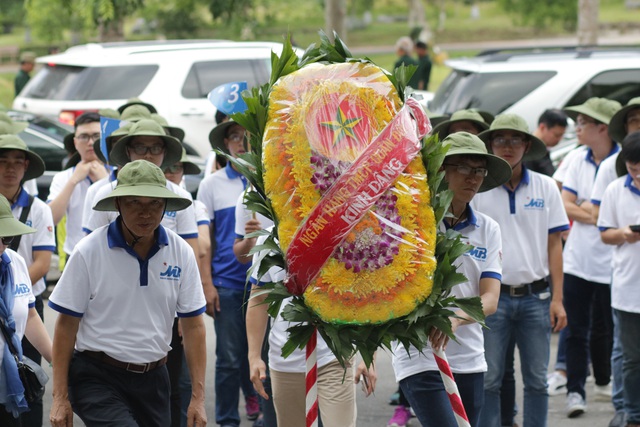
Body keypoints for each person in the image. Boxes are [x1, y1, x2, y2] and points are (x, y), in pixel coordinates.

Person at [48, 160, 207, 427]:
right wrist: (59, 397)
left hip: (155, 378)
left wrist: (198, 398)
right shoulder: (88, 251)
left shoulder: (181, 252)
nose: (146, 213)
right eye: (134, 202)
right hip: (97, 376)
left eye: (155, 203)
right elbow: (66, 325)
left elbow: (194, 326)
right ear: (118, 205)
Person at [392, 132, 511, 427]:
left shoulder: (489, 228)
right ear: (441, 170)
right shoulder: (413, 221)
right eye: (464, 168)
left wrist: (455, 319)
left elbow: (490, 299)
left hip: (470, 357)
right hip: (420, 355)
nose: (473, 178)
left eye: (479, 171)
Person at [472, 114, 569, 427]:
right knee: (489, 380)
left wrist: (558, 299)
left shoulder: (546, 187)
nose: (507, 146)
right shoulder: (478, 189)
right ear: (491, 144)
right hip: (491, 301)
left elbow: (555, 245)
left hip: (535, 298)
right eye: (500, 139)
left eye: (515, 139)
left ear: (527, 145)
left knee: (538, 382)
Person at [246, 228, 375, 427]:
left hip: (335, 355)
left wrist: (370, 355)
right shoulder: (272, 235)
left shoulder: (346, 227)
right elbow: (259, 298)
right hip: (285, 359)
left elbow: (367, 294)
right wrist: (254, 356)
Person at [559, 97, 621, 418]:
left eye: (584, 122)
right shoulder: (575, 158)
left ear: (603, 128)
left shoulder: (623, 162)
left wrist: (587, 208)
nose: (577, 127)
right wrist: (594, 211)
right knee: (576, 327)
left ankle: (603, 380)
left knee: (605, 328)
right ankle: (575, 390)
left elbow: (614, 215)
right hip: (577, 259)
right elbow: (563, 203)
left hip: (612, 260)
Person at [197, 120, 260, 426]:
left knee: (264, 353)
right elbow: (204, 239)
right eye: (234, 137)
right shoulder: (212, 184)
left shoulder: (268, 179)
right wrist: (207, 285)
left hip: (266, 283)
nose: (241, 142)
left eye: (247, 136)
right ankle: (226, 419)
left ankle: (263, 411)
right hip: (228, 281)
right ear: (224, 145)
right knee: (229, 359)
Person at [0, 134, 55, 427]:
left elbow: (31, 313)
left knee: (28, 392)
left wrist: (57, 359)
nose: (3, 244)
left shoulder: (15, 261)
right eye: (2, 162)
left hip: (21, 310)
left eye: (7, 237)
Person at [598, 131, 640, 427]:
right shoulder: (615, 189)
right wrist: (624, 234)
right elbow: (605, 234)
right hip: (628, 289)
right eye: (632, 168)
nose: (636, 174)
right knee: (631, 358)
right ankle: (632, 413)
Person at [47, 112, 110, 260]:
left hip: (110, 254)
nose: (90, 142)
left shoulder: (117, 173)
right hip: (75, 254)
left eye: (96, 136)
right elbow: (49, 219)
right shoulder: (64, 177)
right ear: (75, 142)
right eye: (84, 136)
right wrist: (74, 181)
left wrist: (105, 180)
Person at [524, 109, 568, 177]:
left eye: (562, 135)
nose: (560, 139)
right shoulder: (527, 152)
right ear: (543, 127)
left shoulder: (543, 149)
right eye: (557, 135)